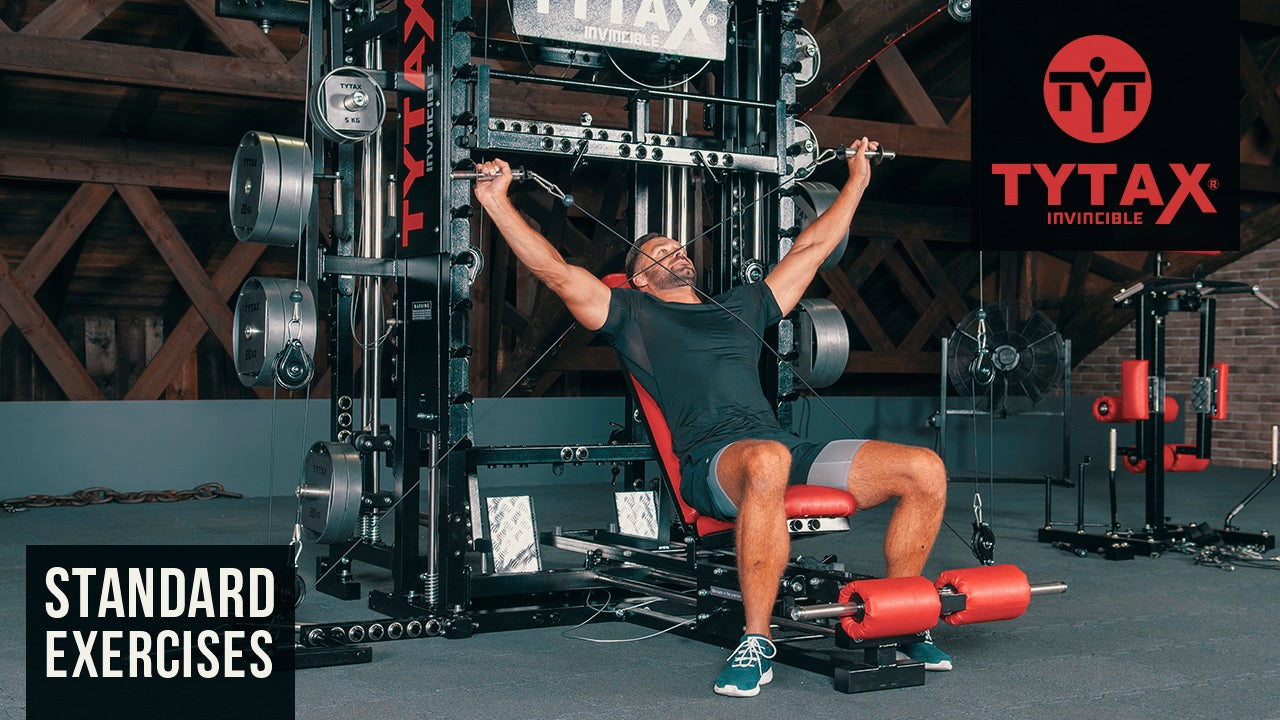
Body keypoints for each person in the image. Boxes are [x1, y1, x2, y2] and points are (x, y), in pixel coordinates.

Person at [472, 139, 949, 698]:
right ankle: (755, 639)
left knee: (924, 468)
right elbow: (553, 270)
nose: (677, 254)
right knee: (767, 460)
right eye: (660, 252)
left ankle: (902, 615)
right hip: (712, 466)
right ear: (641, 279)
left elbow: (812, 248)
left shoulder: (741, 306)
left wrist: (858, 179)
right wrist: (496, 200)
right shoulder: (630, 313)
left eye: (680, 248)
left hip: (783, 450)